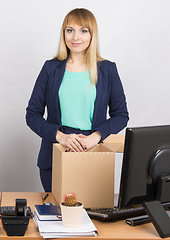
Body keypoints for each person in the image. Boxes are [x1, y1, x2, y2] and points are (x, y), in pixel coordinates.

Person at [26, 8, 129, 192]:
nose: (75, 37)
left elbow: (121, 115)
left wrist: (96, 137)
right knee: (57, 216)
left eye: (83, 30)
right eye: (70, 30)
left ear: (92, 35)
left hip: (92, 153)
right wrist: (60, 137)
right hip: (55, 154)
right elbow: (32, 114)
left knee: (91, 216)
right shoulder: (50, 68)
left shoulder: (107, 70)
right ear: (63, 33)